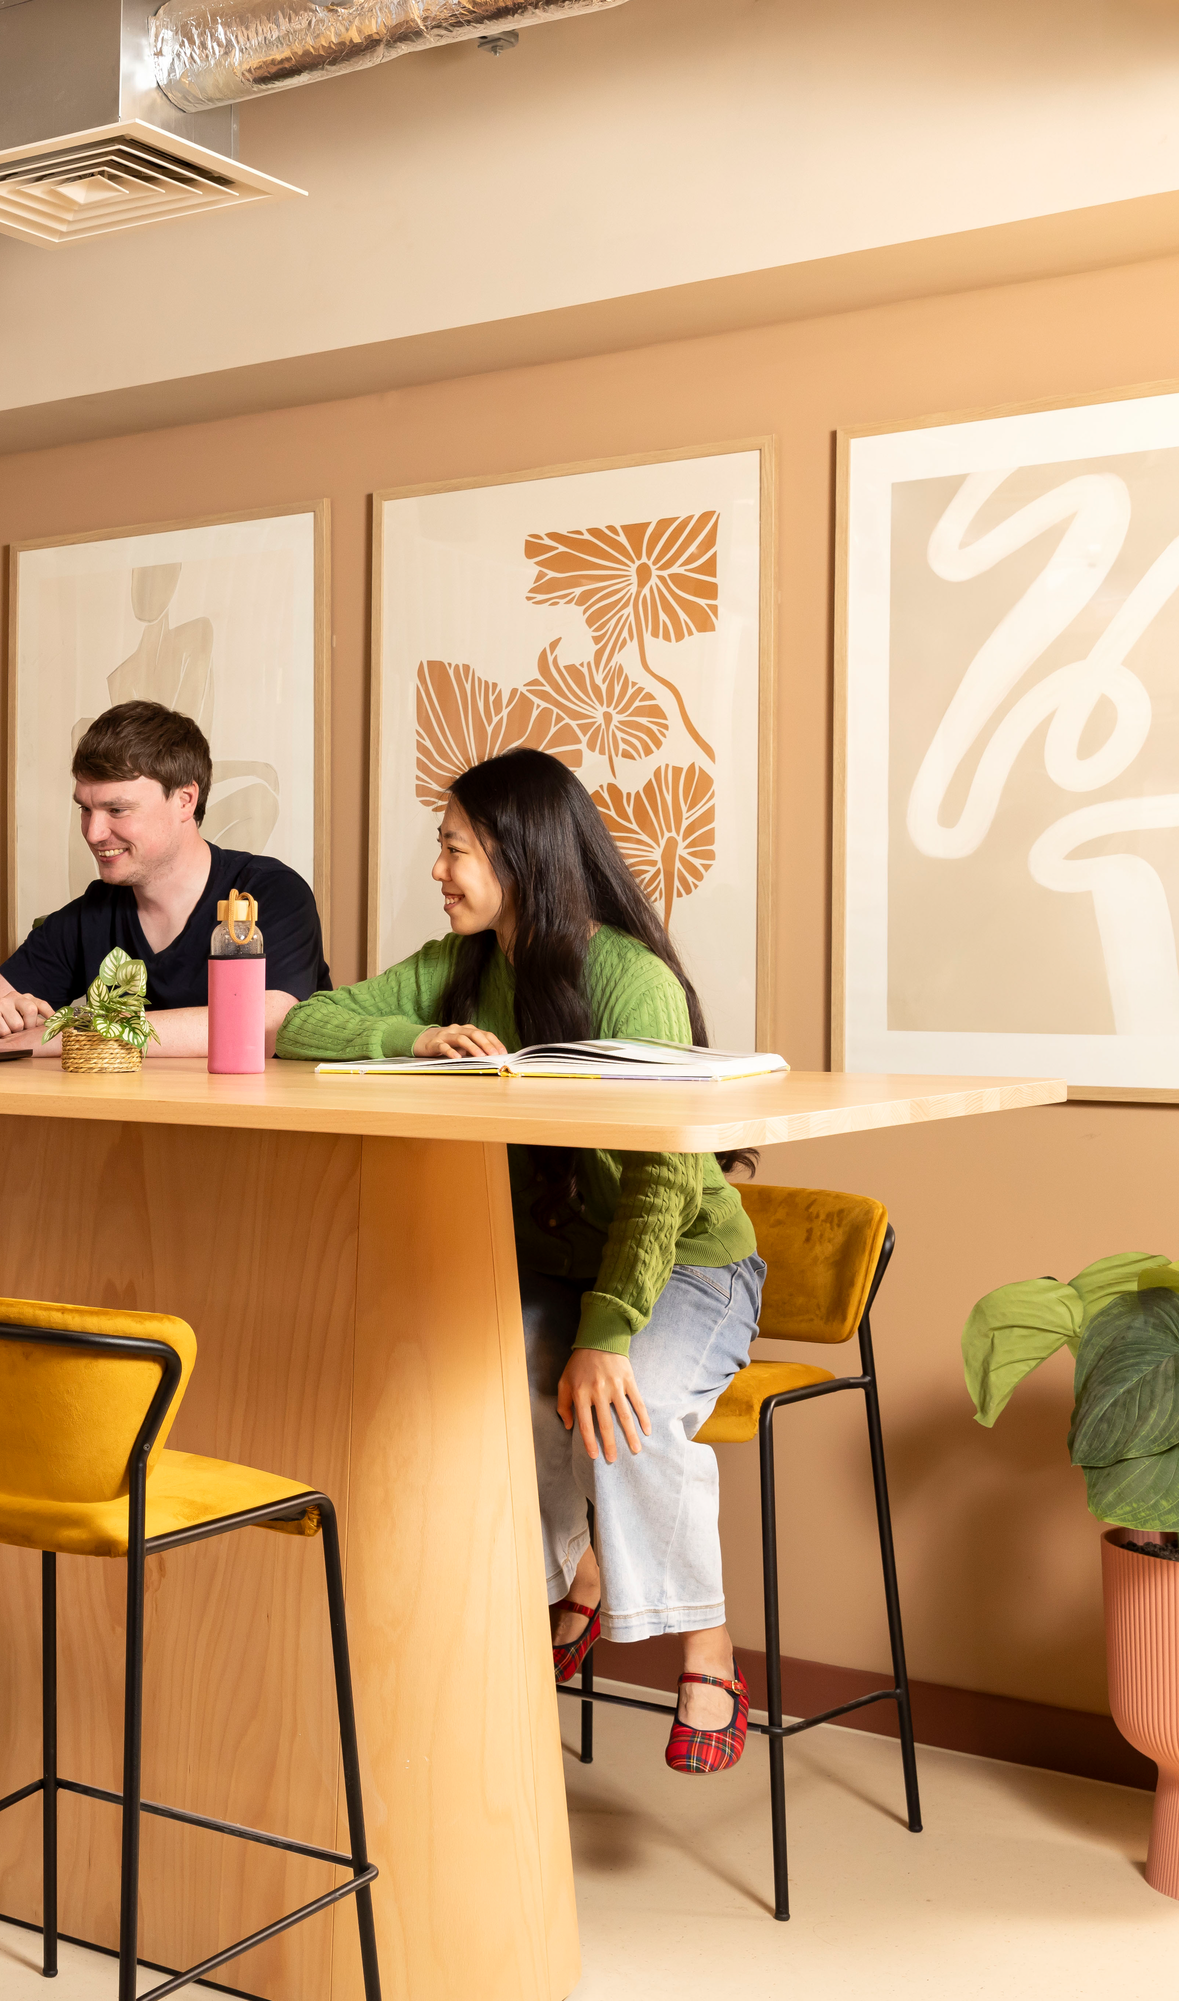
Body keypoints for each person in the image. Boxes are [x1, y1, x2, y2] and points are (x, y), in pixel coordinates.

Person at [273, 746, 764, 1775]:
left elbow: (663, 1183)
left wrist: (607, 1333)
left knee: (626, 1403)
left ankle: (707, 1643)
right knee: (505, 1387)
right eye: (442, 849)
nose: (439, 871)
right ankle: (555, 1592)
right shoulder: (460, 966)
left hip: (684, 1267)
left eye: (455, 850)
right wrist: (415, 1040)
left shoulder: (633, 982)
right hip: (549, 1266)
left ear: (519, 854)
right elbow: (307, 1022)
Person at [0, 700, 328, 1056]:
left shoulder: (270, 891)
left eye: (117, 810)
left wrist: (69, 1036)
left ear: (185, 800)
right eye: (86, 809)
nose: (93, 833)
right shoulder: (89, 916)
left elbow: (269, 1024)